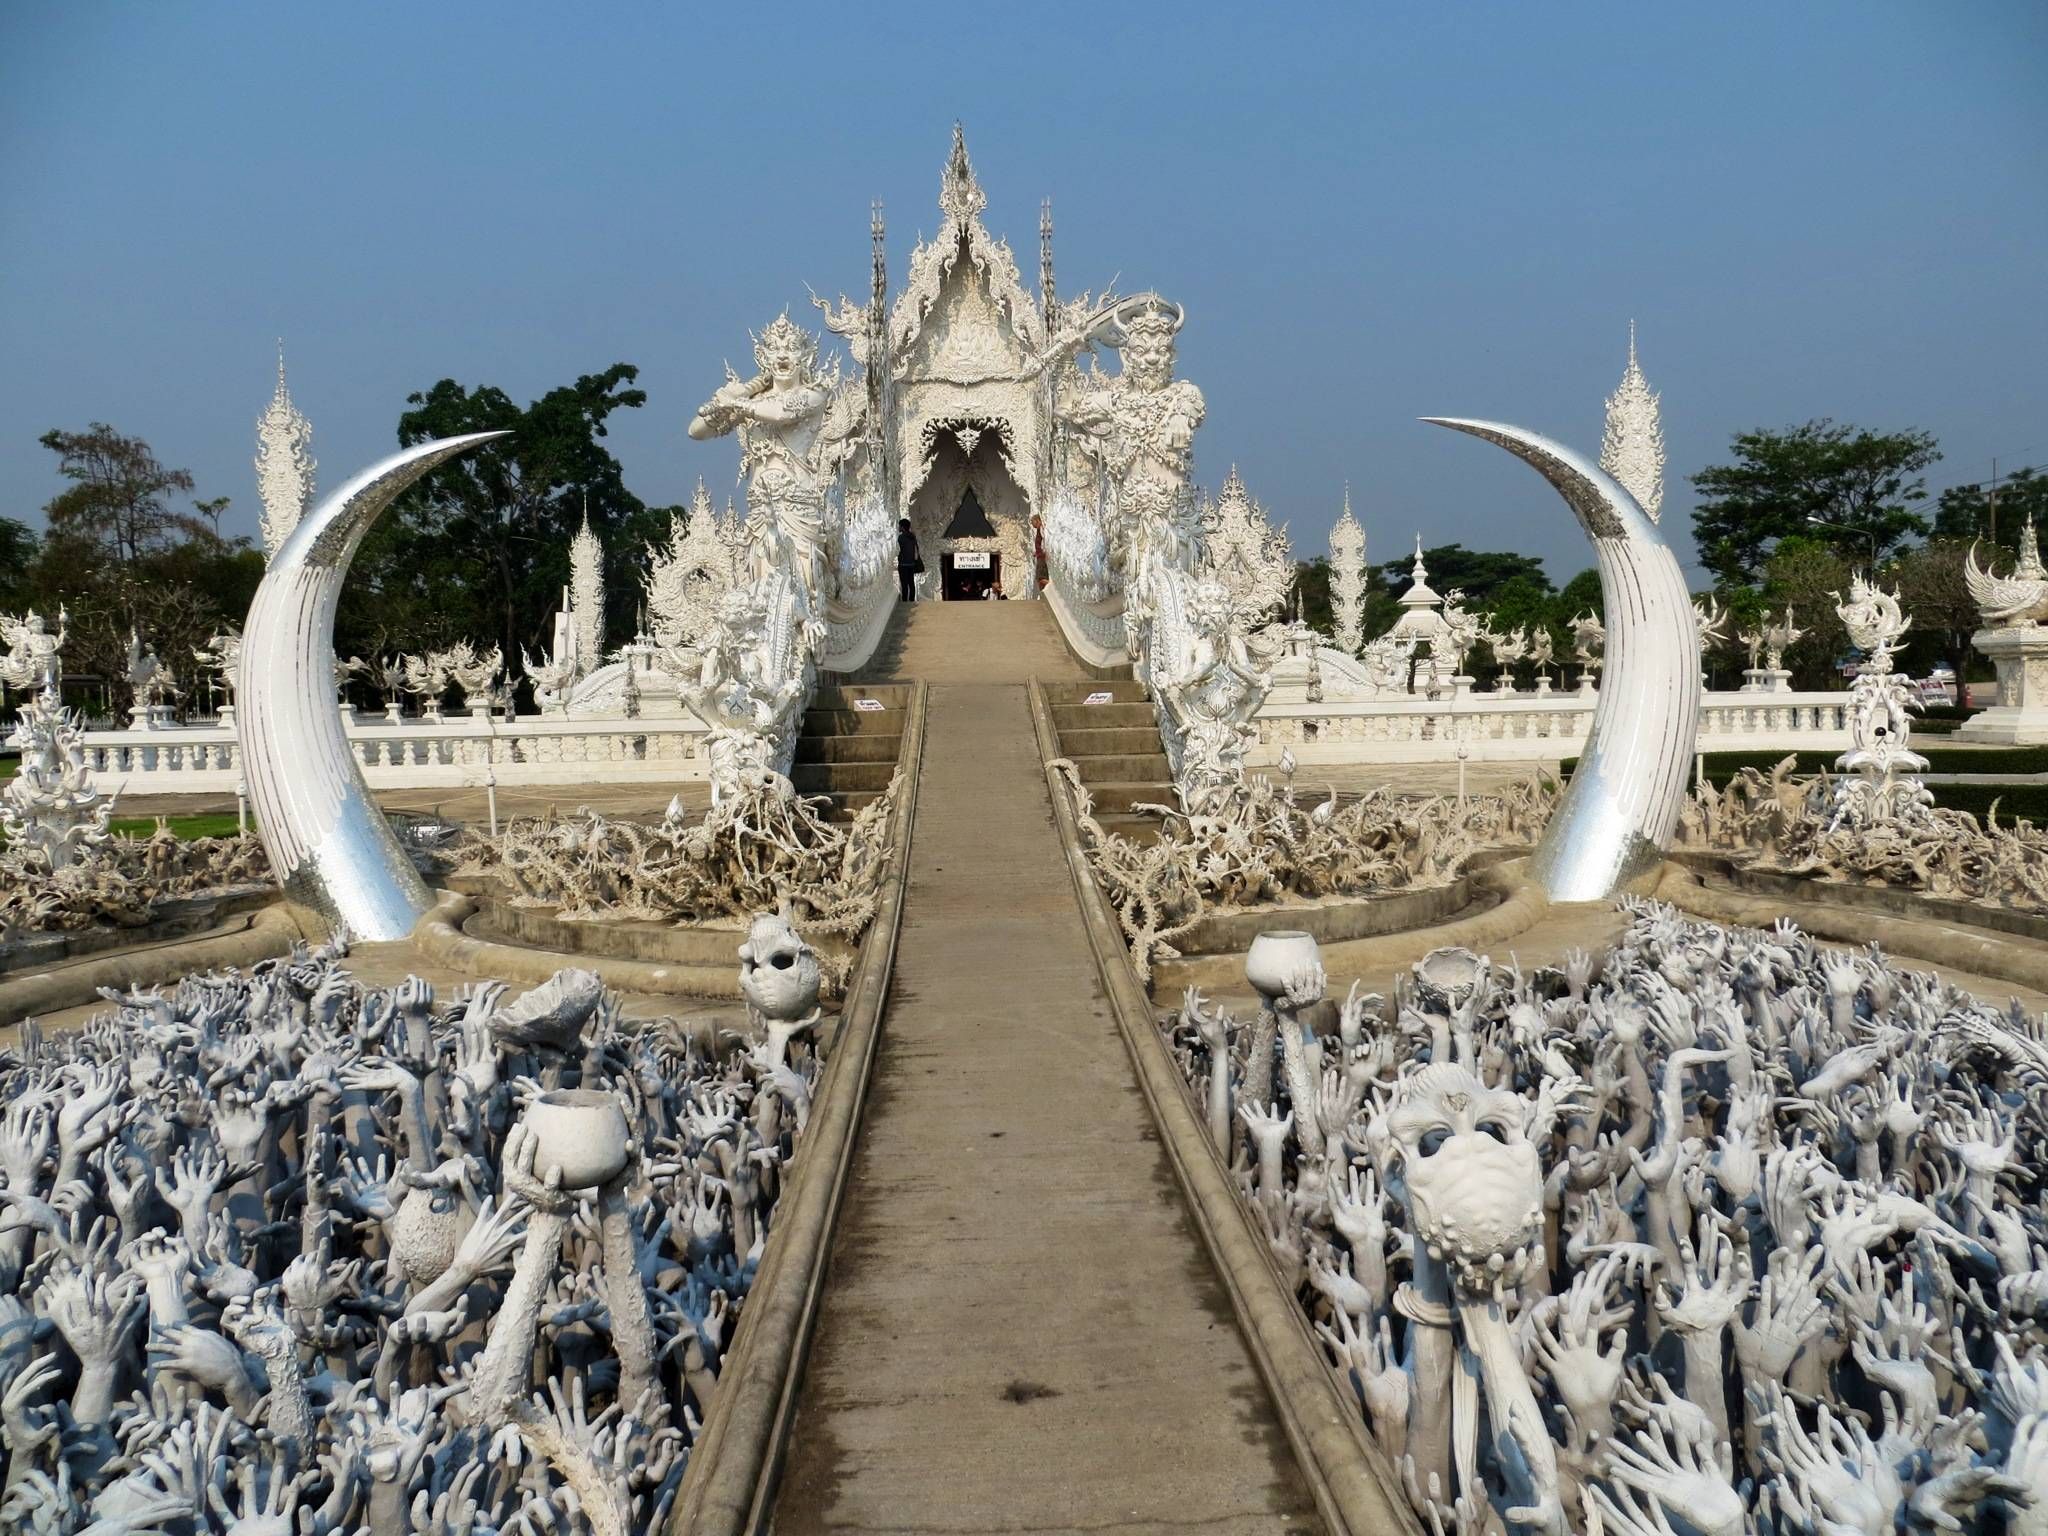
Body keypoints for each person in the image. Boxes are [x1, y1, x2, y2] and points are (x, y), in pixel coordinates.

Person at [896, 518, 922, 602]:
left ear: (902, 527)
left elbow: (898, 549)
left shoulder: (901, 537)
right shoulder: (912, 536)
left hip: (903, 563)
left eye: (899, 526)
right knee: (911, 583)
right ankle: (911, 600)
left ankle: (904, 601)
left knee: (904, 584)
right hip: (911, 563)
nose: (898, 527)